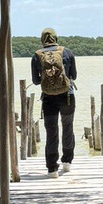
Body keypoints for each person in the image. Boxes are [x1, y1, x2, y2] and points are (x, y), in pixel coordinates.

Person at [31, 27, 77, 178]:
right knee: (68, 127)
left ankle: (52, 169)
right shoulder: (67, 52)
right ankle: (67, 163)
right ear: (56, 38)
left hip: (49, 99)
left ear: (42, 39)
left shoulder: (37, 55)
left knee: (51, 132)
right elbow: (74, 76)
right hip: (67, 97)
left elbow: (36, 81)